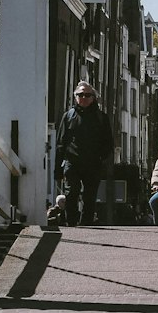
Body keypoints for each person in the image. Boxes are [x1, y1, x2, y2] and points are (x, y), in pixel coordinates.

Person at [55, 81, 115, 226]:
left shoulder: (101, 117)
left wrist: (102, 159)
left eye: (87, 95)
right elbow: (61, 142)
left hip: (93, 163)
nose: (83, 97)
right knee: (71, 192)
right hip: (72, 162)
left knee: (90, 196)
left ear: (93, 97)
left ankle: (86, 224)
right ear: (75, 97)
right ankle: (71, 222)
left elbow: (108, 142)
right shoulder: (69, 116)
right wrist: (58, 168)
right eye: (80, 95)